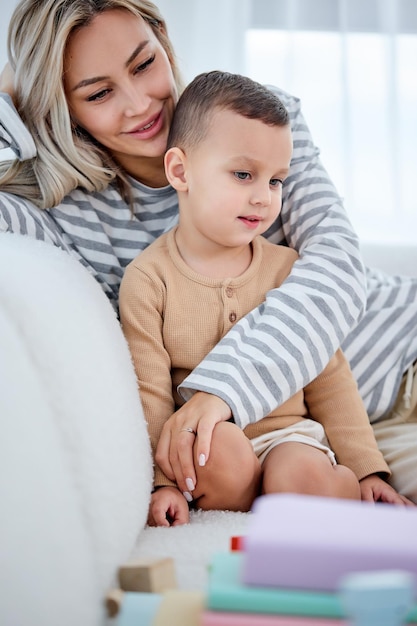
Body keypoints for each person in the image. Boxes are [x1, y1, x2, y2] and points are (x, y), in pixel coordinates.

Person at [1, 0, 417, 505]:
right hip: (308, 441)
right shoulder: (65, 215)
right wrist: (12, 103)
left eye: (144, 64)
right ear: (58, 104)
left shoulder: (259, 127)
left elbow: (338, 270)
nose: (139, 104)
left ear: (163, 40)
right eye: (100, 92)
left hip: (402, 357)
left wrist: (222, 391)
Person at [119, 70, 410, 526]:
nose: (264, 198)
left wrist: (367, 467)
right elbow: (151, 393)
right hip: (214, 440)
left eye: (276, 181)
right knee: (216, 449)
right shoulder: (147, 280)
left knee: (296, 470)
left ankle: (316, 498)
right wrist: (162, 482)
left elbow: (330, 379)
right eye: (243, 174)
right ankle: (247, 500)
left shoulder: (287, 268)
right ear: (180, 171)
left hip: (292, 437)